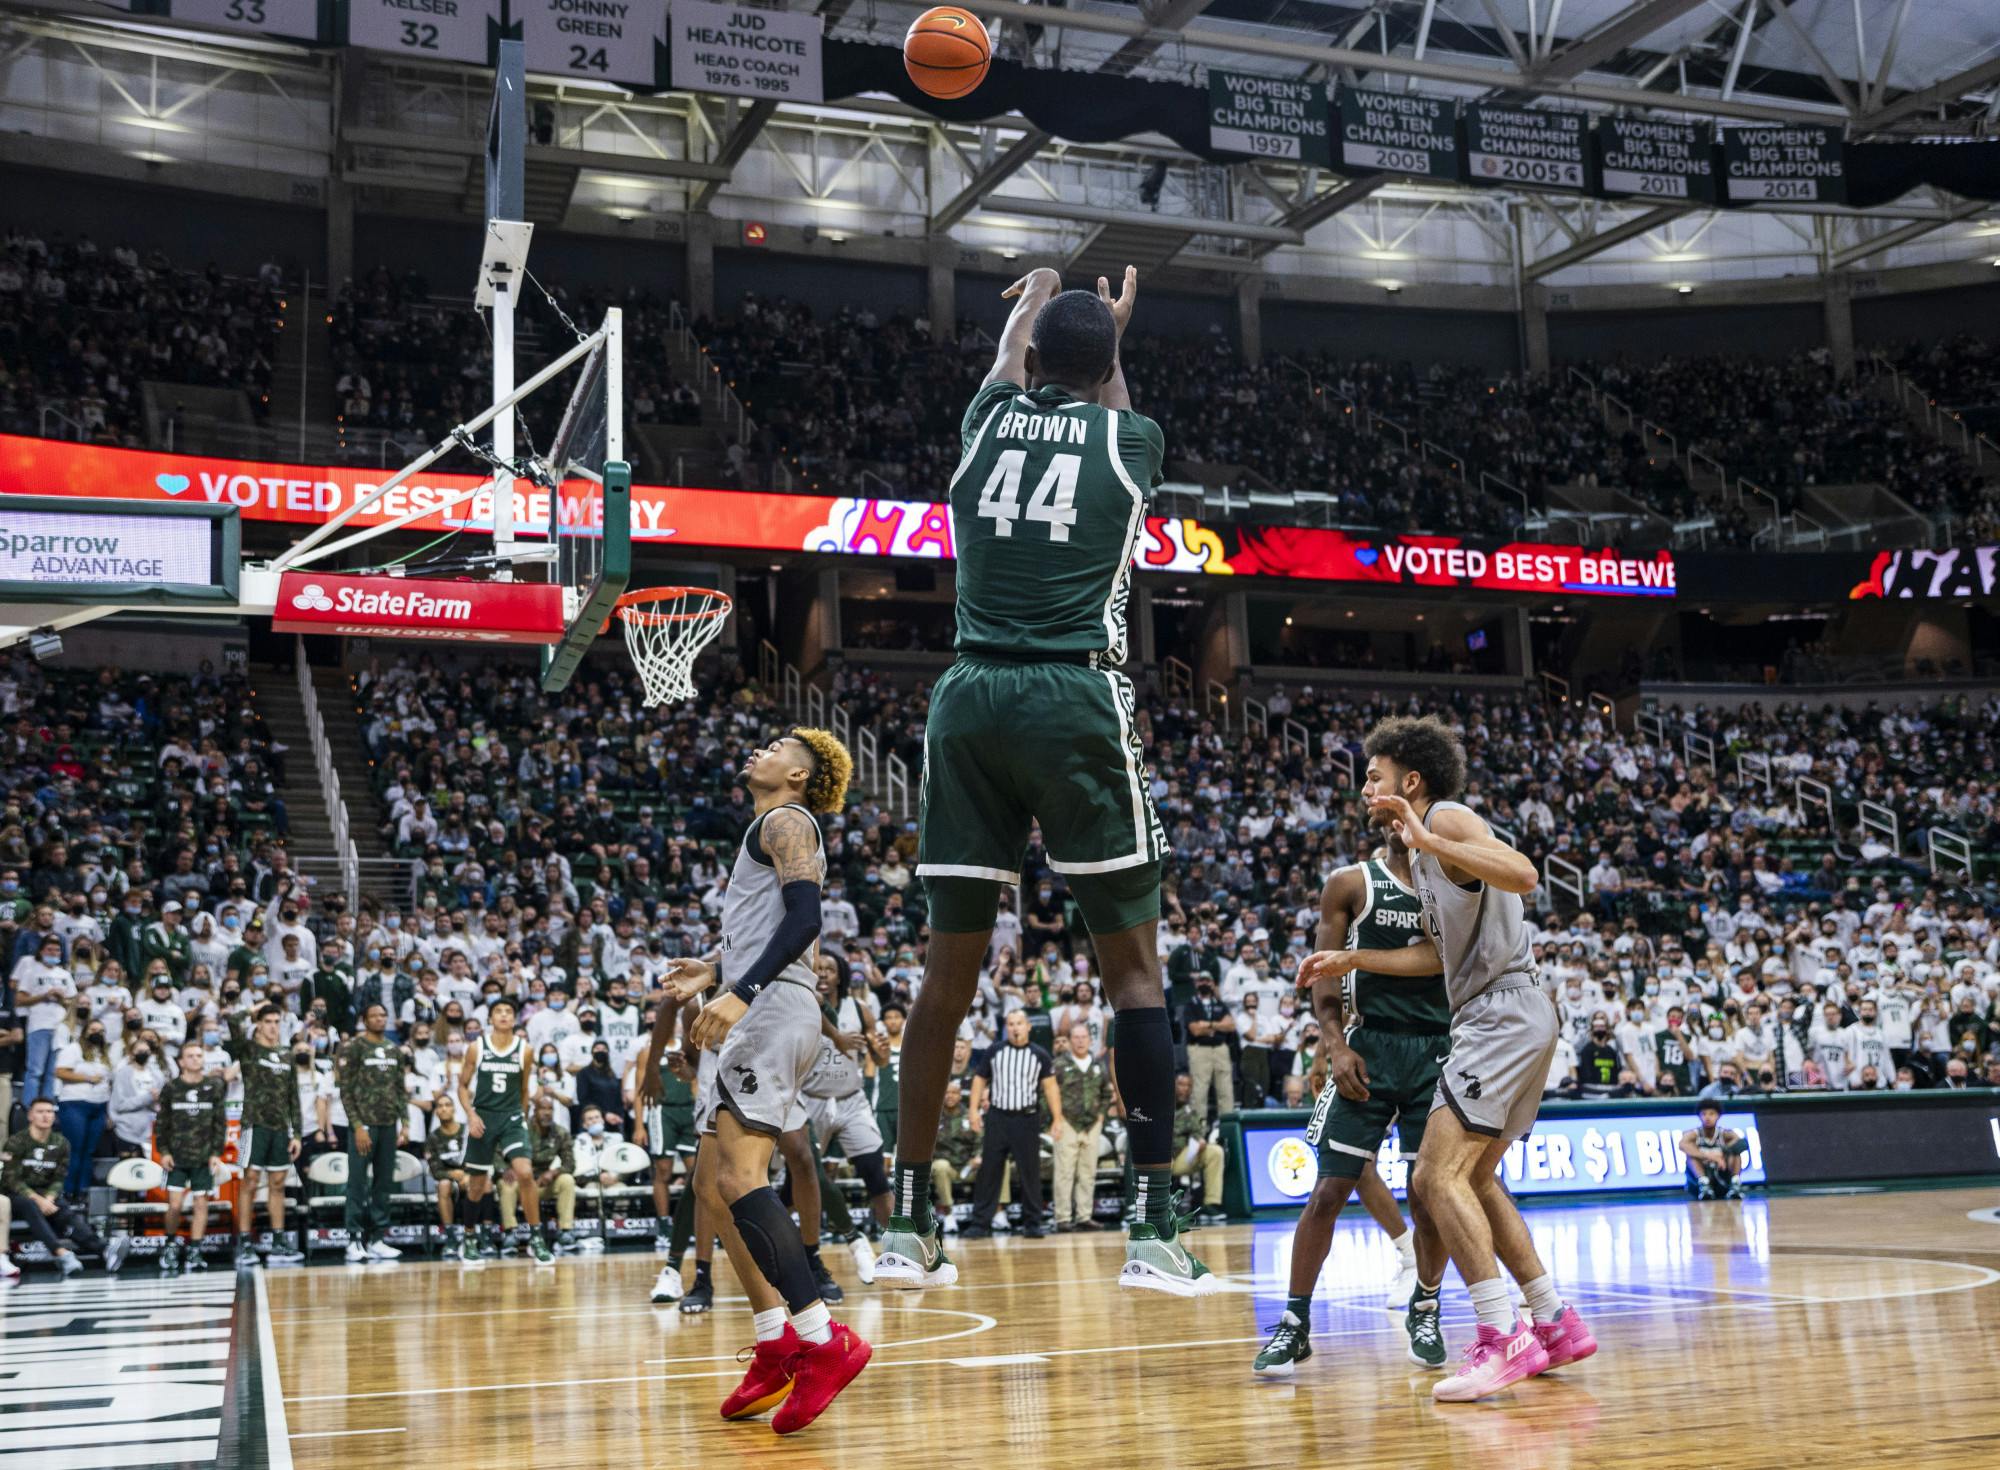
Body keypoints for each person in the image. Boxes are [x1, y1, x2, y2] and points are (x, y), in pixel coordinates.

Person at [879, 264, 1214, 1298]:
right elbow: (1105, 403)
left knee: (944, 977)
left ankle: (903, 1224)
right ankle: (1153, 1227)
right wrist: (1109, 335)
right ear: (1106, 364)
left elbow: (998, 364)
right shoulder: (1133, 440)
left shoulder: (982, 426)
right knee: (1134, 977)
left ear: (1028, 358)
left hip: (968, 695)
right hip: (1071, 694)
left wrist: (1032, 306)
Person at [1303, 716, 1596, 1402]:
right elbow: (1435, 957)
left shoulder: (1448, 818)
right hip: (1510, 1013)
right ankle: (1554, 1320)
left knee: (1434, 1178)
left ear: (1411, 779)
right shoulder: (1424, 849)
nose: (1365, 785)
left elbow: (1523, 873)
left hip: (1500, 1013)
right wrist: (1353, 957)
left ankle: (1502, 1338)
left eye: (1374, 774)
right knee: (1479, 1180)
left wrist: (1429, 834)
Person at [655, 727, 872, 1436]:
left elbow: (807, 920)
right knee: (713, 1185)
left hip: (772, 1012)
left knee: (744, 1179)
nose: (762, 750)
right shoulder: (767, 825)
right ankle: (776, 1336)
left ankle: (821, 1340)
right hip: (758, 1005)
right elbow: (771, 925)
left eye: (779, 746)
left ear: (800, 776)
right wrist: (713, 972)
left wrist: (741, 989)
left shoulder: (786, 820)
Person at [1255, 831, 1450, 1378]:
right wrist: (1336, 1047)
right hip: (1367, 1047)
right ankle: (1294, 1324)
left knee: (1429, 1196)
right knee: (1329, 1191)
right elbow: (1323, 974)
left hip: (1436, 1050)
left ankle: (1427, 1306)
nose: (1378, 800)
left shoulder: (1453, 884)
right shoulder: (1350, 883)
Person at [457, 997, 554, 1264]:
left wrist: (522, 1119)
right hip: (483, 1118)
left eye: (508, 1011)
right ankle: (468, 1237)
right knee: (476, 1185)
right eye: (498, 1011)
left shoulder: (525, 1050)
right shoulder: (477, 1048)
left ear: (514, 1018)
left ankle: (536, 1238)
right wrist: (471, 1115)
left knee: (524, 1172)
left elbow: (524, 1090)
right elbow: (462, 1086)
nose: (503, 1015)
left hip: (511, 1117)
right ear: (490, 1019)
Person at [961, 1009, 1064, 1238]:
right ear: (1006, 1027)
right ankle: (980, 1223)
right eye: (1010, 1024)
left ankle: (1032, 1223)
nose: (1015, 1028)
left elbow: (1051, 1087)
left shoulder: (1040, 1054)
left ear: (1028, 1026)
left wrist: (1057, 1118)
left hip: (1027, 1119)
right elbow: (979, 1079)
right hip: (998, 1117)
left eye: (1019, 1023)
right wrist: (973, 1111)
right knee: (989, 1171)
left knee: (1030, 1172)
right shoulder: (994, 1051)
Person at [3, 1097, 128, 1277]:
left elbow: (59, 1178)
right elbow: (12, 1180)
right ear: (30, 1116)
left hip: (46, 1195)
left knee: (63, 1210)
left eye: (49, 1112)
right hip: (16, 1196)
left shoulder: (61, 1143)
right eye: (40, 1112)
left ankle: (104, 1249)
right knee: (29, 1205)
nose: (45, 1116)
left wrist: (50, 1198)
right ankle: (61, 1253)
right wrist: (39, 1200)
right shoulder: (17, 1141)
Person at [231, 1004, 304, 1267]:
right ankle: (244, 1242)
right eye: (268, 1021)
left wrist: (297, 1133)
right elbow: (232, 1020)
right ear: (259, 1024)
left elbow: (293, 1096)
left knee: (278, 1184)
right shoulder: (249, 1050)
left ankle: (278, 1242)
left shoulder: (287, 1054)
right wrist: (251, 1009)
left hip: (280, 1128)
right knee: (249, 1182)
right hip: (253, 1125)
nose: (274, 1026)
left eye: (277, 1021)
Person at [338, 1002, 409, 1264]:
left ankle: (378, 1238)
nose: (380, 1019)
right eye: (374, 1015)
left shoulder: (393, 1050)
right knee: (357, 1183)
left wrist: (406, 1123)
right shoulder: (354, 1047)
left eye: (383, 1015)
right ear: (364, 1020)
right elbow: (345, 1091)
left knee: (383, 1183)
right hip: (363, 1126)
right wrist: (357, 1126)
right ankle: (354, 1239)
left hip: (388, 1124)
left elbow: (400, 1090)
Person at [156, 1040, 227, 1275]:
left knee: (200, 1204)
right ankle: (170, 1244)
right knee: (174, 1205)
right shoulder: (171, 1088)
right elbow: (162, 1124)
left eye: (199, 1055)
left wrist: (217, 1153)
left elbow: (220, 1123)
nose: (196, 1059)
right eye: (191, 1056)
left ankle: (195, 1249)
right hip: (176, 1156)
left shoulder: (214, 1087)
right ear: (181, 1061)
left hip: (203, 1156)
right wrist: (163, 1151)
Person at [499, 1094, 578, 1251]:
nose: (547, 1113)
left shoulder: (560, 1133)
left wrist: (554, 1172)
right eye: (543, 1109)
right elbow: (497, 1152)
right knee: (505, 1184)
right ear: (534, 1111)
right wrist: (505, 1169)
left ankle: (566, 1231)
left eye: (550, 1109)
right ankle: (510, 1233)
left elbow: (570, 1164)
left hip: (543, 1182)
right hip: (521, 1181)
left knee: (567, 1180)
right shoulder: (520, 1130)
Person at [1050, 1021, 1107, 1230]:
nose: (1081, 1041)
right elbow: (1047, 1092)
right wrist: (1054, 1120)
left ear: (1090, 1041)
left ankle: (1084, 1216)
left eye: (1084, 1038)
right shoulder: (1059, 1064)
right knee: (1064, 1172)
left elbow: (1106, 1092)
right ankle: (1062, 1218)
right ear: (1070, 1040)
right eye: (1076, 1037)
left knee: (1088, 1172)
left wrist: (1101, 1116)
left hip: (1092, 1125)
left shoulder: (1098, 1065)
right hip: (1067, 1123)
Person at [52, 1014, 112, 1199]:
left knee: (89, 1151)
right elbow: (60, 1071)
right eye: (93, 1030)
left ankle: (83, 1193)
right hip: (75, 1103)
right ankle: (67, 1192)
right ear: (85, 1032)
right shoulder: (74, 1048)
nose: (97, 1033)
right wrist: (87, 1078)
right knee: (74, 1149)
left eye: (101, 1031)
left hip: (99, 1106)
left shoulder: (104, 1055)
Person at [1169, 1072, 1226, 1224]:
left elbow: (1197, 1131)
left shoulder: (1188, 1111)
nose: (1185, 1089)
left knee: (1215, 1152)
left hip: (1180, 1157)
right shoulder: (1161, 1106)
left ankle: (1210, 1204)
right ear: (1172, 1085)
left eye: (1188, 1086)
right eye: (1181, 1085)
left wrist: (1199, 1141)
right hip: (1160, 1157)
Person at [1680, 1100, 1749, 1199]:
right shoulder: (1694, 1134)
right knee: (1691, 1156)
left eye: (1711, 1114)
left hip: (1721, 1176)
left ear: (1718, 1116)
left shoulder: (1725, 1134)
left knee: (1735, 1152)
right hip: (1701, 1179)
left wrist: (1723, 1152)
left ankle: (1735, 1184)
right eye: (1704, 1114)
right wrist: (1711, 1157)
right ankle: (1704, 1185)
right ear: (1699, 1116)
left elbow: (1742, 1143)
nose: (1707, 1117)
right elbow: (1682, 1145)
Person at [429, 1092, 472, 1252]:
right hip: (449, 1180)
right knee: (444, 1185)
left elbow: (476, 1159)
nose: (444, 1109)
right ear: (436, 1112)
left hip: (469, 1177)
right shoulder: (433, 1138)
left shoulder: (467, 1132)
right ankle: (451, 1237)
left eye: (448, 1105)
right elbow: (435, 1170)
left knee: (474, 1183)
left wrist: (467, 1175)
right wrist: (451, 1175)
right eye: (440, 1106)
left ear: (454, 1109)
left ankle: (472, 1236)